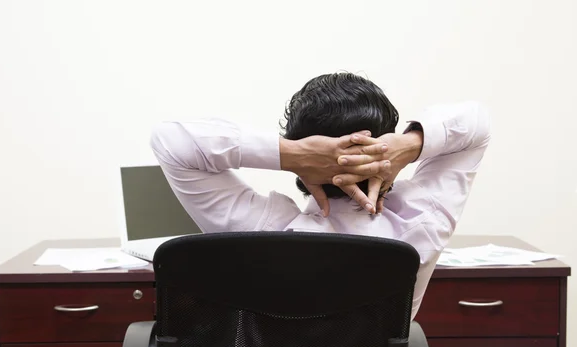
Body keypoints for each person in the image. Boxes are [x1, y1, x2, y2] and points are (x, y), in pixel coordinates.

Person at [150, 72, 490, 318]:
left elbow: (172, 142)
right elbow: (477, 124)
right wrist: (409, 145)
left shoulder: (261, 231)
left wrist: (290, 154)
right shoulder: (421, 222)